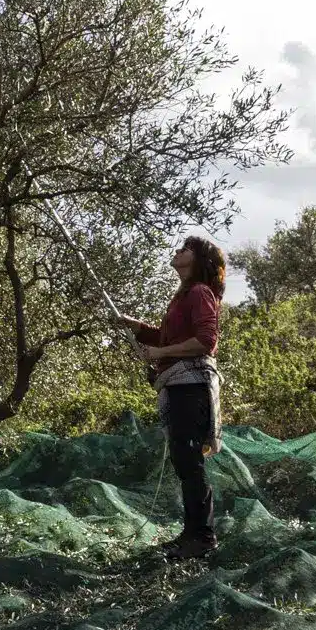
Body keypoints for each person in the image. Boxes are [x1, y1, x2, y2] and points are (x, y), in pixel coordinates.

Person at [113, 236, 226, 560]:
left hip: (191, 384)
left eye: (185, 248)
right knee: (183, 460)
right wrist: (138, 328)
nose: (177, 251)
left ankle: (203, 538)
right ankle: (191, 534)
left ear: (198, 259)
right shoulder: (183, 296)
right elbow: (168, 337)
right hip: (178, 385)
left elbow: (205, 341)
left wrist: (160, 352)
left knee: (190, 460)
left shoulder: (200, 293)